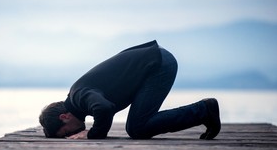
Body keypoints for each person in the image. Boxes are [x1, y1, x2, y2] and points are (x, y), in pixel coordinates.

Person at [39, 40, 221, 140]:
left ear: (64, 117)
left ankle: (204, 110)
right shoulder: (78, 97)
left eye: (67, 133)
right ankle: (204, 111)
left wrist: (93, 134)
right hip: (155, 60)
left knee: (137, 128)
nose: (71, 135)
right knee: (136, 127)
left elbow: (103, 107)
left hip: (157, 64)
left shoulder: (78, 95)